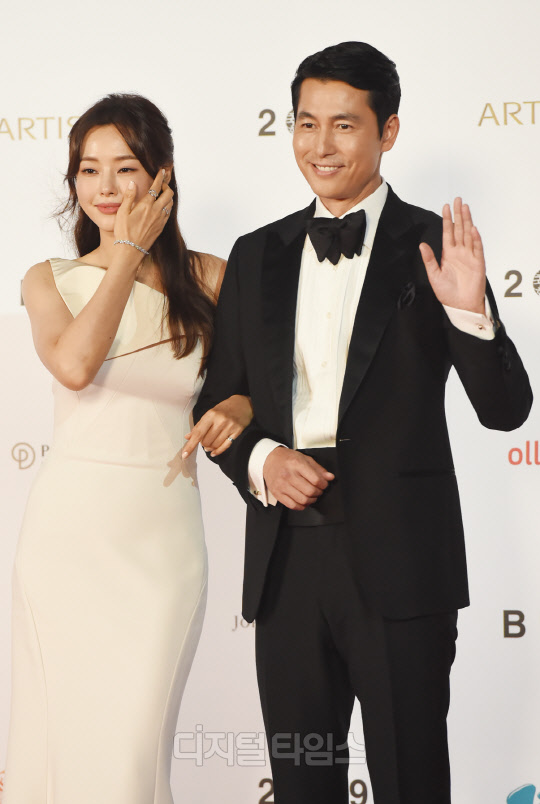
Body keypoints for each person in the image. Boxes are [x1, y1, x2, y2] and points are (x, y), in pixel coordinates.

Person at [193, 42, 533, 804]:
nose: (320, 145)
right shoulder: (256, 256)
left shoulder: (433, 248)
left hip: (403, 567)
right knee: (303, 783)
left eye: (344, 125)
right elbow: (218, 404)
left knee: (413, 781)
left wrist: (470, 312)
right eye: (306, 123)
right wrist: (263, 460)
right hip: (287, 565)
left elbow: (507, 409)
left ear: (389, 131)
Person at [3, 93, 252, 804]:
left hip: (162, 537)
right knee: (58, 741)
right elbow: (77, 365)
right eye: (88, 170)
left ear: (162, 176)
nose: (106, 189)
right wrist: (127, 255)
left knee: (133, 751)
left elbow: (266, 385)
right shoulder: (49, 279)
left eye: (124, 168)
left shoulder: (213, 278)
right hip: (68, 535)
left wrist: (238, 403)